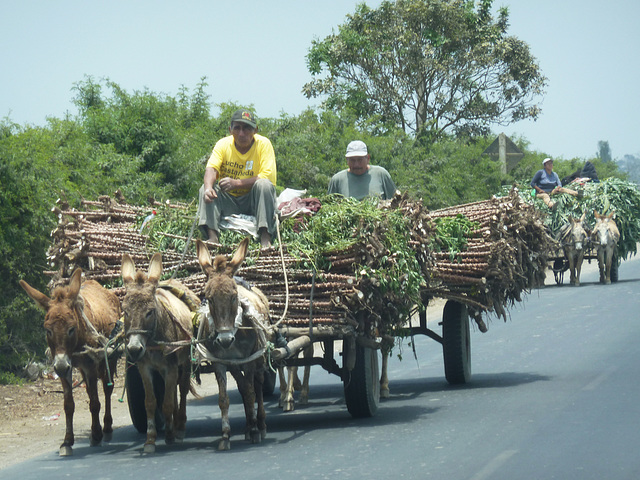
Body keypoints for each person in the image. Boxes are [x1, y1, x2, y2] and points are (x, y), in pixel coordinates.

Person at [198, 109, 277, 248]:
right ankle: (212, 236)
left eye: (247, 128)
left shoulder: (264, 144)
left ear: (255, 130)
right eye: (237, 128)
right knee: (205, 188)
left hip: (253, 201)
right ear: (230, 130)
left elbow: (267, 175)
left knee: (264, 184)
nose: (242, 133)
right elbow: (211, 169)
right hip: (229, 201)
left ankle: (265, 237)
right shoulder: (223, 144)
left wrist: (236, 183)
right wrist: (209, 188)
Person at [327, 140, 396, 200]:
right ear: (347, 160)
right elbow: (329, 207)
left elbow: (396, 202)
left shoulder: (381, 174)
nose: (356, 164)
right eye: (352, 160)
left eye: (360, 160)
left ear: (368, 158)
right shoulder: (337, 180)